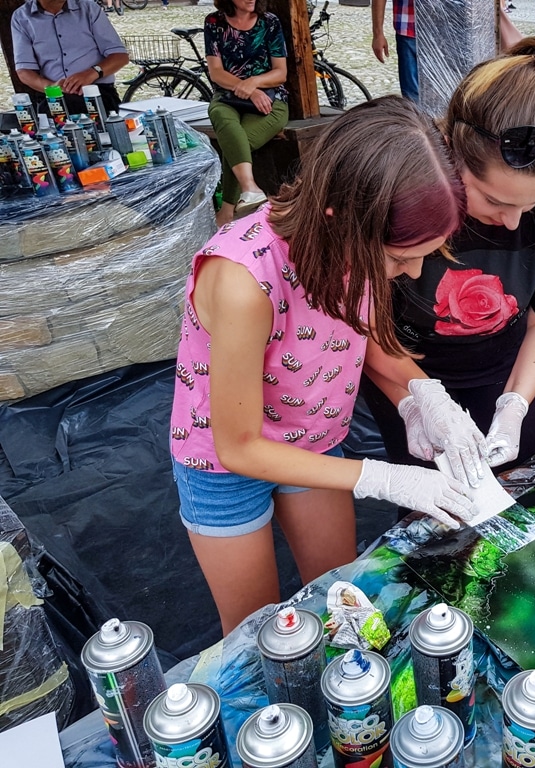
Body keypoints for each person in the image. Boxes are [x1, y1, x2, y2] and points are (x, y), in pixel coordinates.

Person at [170, 97, 476, 635]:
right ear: (340, 218)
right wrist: (381, 476)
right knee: (257, 633)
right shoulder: (243, 279)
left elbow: (365, 333)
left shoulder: (355, 243)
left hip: (314, 441)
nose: (412, 273)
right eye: (400, 258)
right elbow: (238, 447)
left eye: (424, 255)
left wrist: (424, 395)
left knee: (341, 598)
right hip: (223, 466)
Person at [362, 36, 535, 475]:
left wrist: (516, 402)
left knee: (524, 488)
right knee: (432, 503)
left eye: (532, 205)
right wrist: (415, 400)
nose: (513, 222)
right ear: (450, 151)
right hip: (401, 366)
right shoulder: (404, 189)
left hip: (511, 365)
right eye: (494, 200)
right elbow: (363, 324)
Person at [205, 0, 289, 226]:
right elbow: (216, 73)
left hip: (270, 99)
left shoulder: (269, 22)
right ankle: (250, 187)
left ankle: (228, 209)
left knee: (235, 141)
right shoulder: (214, 22)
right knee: (220, 115)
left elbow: (280, 72)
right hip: (228, 96)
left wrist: (254, 83)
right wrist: (249, 91)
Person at [11, 0, 128, 116]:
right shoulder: (21, 17)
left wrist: (91, 73)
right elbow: (24, 71)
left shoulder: (88, 8)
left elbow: (120, 56)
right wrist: (52, 88)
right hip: (54, 97)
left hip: (97, 92)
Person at [371, 0, 418, 101]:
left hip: (447, 32)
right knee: (412, 98)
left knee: (446, 95)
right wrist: (378, 34)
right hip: (409, 30)